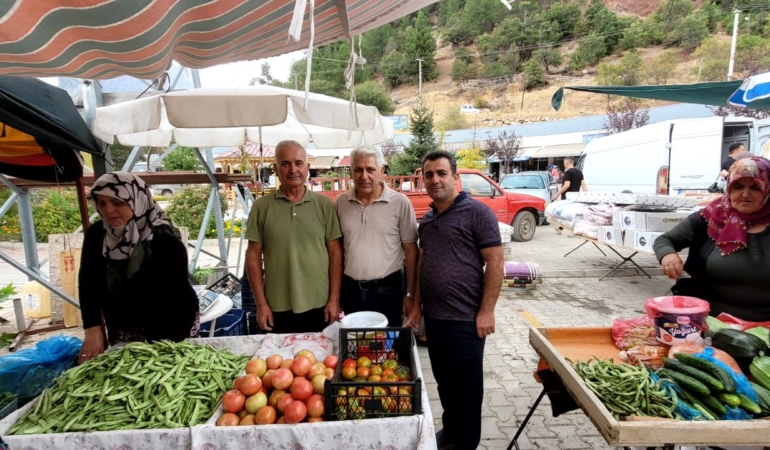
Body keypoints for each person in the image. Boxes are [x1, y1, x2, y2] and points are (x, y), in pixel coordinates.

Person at [405, 150, 504, 450]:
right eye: (429, 175)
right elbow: (423, 263)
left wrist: (487, 311)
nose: (435, 179)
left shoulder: (477, 213)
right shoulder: (428, 219)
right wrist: (417, 305)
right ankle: (450, 433)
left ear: (455, 177)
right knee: (445, 385)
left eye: (441, 173)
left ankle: (466, 444)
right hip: (436, 321)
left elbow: (496, 262)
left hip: (466, 321)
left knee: (467, 391)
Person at [77, 172, 198, 364]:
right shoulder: (97, 236)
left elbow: (175, 299)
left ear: (137, 200)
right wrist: (93, 329)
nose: (109, 210)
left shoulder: (164, 241)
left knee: (163, 371)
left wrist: (159, 353)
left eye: (117, 202)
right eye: (101, 203)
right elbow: (88, 284)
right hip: (120, 323)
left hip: (171, 322)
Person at [654, 156, 770, 321]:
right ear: (729, 188)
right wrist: (667, 255)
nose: (745, 194)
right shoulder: (709, 218)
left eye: (755, 187)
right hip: (709, 320)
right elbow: (665, 240)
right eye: (737, 186)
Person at [244, 140, 342, 333]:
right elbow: (253, 256)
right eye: (285, 164)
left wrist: (334, 299)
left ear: (307, 167)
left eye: (298, 163)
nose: (293, 170)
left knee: (319, 353)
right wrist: (261, 304)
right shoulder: (261, 207)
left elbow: (335, 253)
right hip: (276, 305)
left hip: (320, 303)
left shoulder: (324, 205)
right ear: (276, 169)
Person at [335, 145, 418, 327]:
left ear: (382, 171)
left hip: (388, 291)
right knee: (355, 342)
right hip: (351, 291)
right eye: (358, 169)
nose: (364, 176)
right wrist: (335, 295)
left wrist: (409, 293)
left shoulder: (400, 203)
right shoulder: (341, 203)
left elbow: (411, 251)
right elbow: (337, 251)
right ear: (351, 172)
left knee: (387, 342)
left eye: (370, 169)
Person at [552, 157, 587, 234]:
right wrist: (587, 194)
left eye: (564, 163)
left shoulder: (568, 173)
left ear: (566, 163)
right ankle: (560, 229)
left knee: (565, 214)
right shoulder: (579, 172)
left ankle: (569, 230)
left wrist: (558, 193)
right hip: (576, 196)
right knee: (573, 214)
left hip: (567, 196)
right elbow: (583, 184)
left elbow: (567, 185)